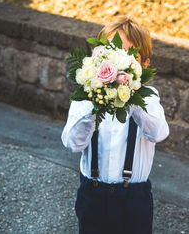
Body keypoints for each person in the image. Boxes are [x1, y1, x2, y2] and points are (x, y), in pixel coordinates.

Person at [61, 15, 169, 234]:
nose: (116, 60)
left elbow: (158, 133)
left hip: (134, 197)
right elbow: (73, 144)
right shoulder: (85, 97)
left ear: (144, 63)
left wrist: (131, 95)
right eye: (109, 51)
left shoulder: (148, 98)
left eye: (127, 54)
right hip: (92, 193)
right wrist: (93, 102)